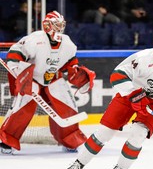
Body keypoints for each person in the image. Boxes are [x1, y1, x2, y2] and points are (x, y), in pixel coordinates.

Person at [60, 31, 153, 169]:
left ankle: (120, 167)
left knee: (138, 135)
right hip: (130, 95)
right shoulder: (144, 58)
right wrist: (134, 94)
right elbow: (117, 75)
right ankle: (78, 164)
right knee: (104, 133)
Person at [0, 11, 96, 154]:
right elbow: (16, 52)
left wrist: (75, 72)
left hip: (53, 77)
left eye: (61, 25)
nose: (59, 28)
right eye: (56, 25)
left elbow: (69, 64)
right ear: (47, 25)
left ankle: (70, 140)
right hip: (31, 77)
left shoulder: (67, 43)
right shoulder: (35, 39)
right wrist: (15, 66)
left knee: (68, 106)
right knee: (23, 106)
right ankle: (7, 142)